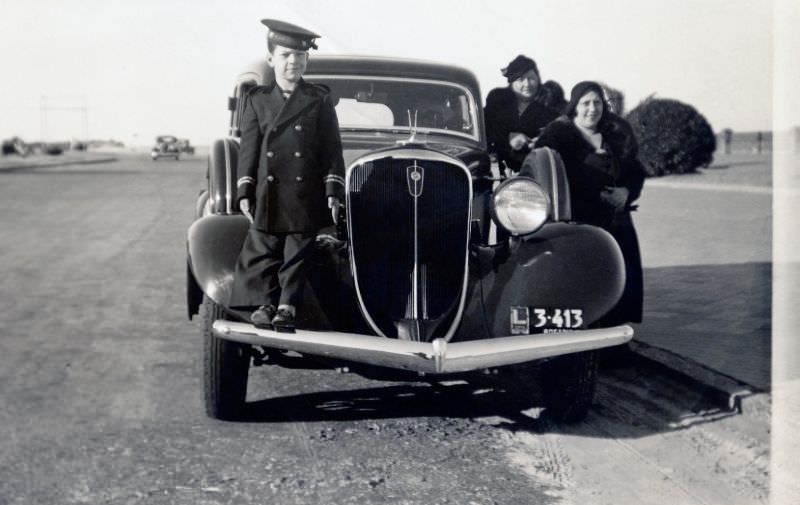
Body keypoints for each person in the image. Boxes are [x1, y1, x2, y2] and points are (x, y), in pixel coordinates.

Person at [228, 19, 346, 332]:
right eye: (285, 55)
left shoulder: (318, 99)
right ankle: (264, 303)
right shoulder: (257, 100)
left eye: (300, 56)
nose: (293, 61)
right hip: (268, 191)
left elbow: (332, 150)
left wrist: (333, 190)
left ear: (307, 59)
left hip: (304, 192)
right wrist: (244, 190)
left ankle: (287, 306)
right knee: (262, 247)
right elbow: (249, 149)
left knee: (297, 251)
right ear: (271, 59)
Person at [535, 81, 645, 325]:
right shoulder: (557, 138)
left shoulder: (615, 136)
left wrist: (626, 192)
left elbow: (635, 171)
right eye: (586, 103)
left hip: (617, 223)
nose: (592, 109)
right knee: (586, 285)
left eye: (597, 103)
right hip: (579, 224)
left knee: (620, 279)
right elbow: (545, 173)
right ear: (575, 107)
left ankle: (615, 341)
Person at [484, 55, 559, 173]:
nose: (527, 84)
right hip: (499, 172)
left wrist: (540, 142)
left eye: (531, 78)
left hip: (537, 170)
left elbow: (560, 136)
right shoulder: (497, 104)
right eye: (520, 79)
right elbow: (485, 133)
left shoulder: (551, 105)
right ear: (511, 82)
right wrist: (507, 137)